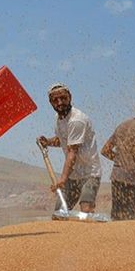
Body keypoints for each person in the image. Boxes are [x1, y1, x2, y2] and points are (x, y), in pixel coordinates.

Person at [37, 83, 101, 213]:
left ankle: (93, 232)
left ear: (70, 97)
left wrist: (62, 179)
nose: (60, 103)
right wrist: (47, 142)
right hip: (73, 174)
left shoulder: (77, 120)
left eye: (63, 98)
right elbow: (62, 140)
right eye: (55, 100)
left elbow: (72, 152)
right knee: (60, 212)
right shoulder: (59, 119)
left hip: (89, 173)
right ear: (50, 102)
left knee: (86, 210)